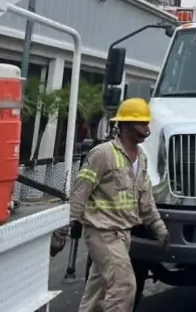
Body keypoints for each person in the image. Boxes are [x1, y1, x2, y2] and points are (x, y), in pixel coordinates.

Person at [70, 98, 170, 312]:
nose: (147, 128)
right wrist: (65, 228)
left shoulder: (141, 158)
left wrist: (159, 227)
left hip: (123, 234)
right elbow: (80, 192)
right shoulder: (103, 154)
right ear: (125, 126)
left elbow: (146, 199)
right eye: (141, 123)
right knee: (123, 286)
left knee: (96, 293)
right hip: (103, 232)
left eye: (147, 123)